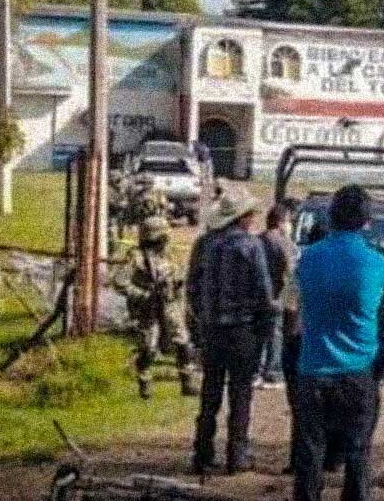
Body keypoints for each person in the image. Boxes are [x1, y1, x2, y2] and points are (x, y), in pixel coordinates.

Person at [287, 185, 384, 501]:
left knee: (310, 449)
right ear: (367, 221)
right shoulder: (379, 264)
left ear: (331, 218)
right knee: (358, 449)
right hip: (358, 368)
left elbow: (294, 306)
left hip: (313, 366)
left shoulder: (308, 259)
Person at [186, 189, 276, 475]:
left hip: (212, 329)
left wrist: (201, 319)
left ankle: (202, 452)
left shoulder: (204, 244)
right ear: (242, 217)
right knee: (240, 393)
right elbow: (263, 290)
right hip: (243, 329)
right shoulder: (251, 246)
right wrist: (266, 321)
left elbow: (192, 288)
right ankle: (237, 455)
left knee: (210, 391)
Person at [117, 215, 197, 401]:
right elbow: (119, 281)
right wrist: (142, 294)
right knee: (149, 346)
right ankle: (145, 382)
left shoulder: (169, 254)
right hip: (148, 306)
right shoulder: (137, 257)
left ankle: (187, 381)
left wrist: (178, 285)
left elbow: (180, 274)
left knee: (182, 341)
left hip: (169, 303)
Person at [257, 203, 299, 388]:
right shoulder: (283, 243)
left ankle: (256, 371)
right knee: (275, 334)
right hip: (277, 295)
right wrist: (293, 298)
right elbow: (291, 271)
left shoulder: (258, 240)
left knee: (260, 333)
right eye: (289, 221)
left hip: (258, 296)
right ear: (281, 222)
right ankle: (272, 373)